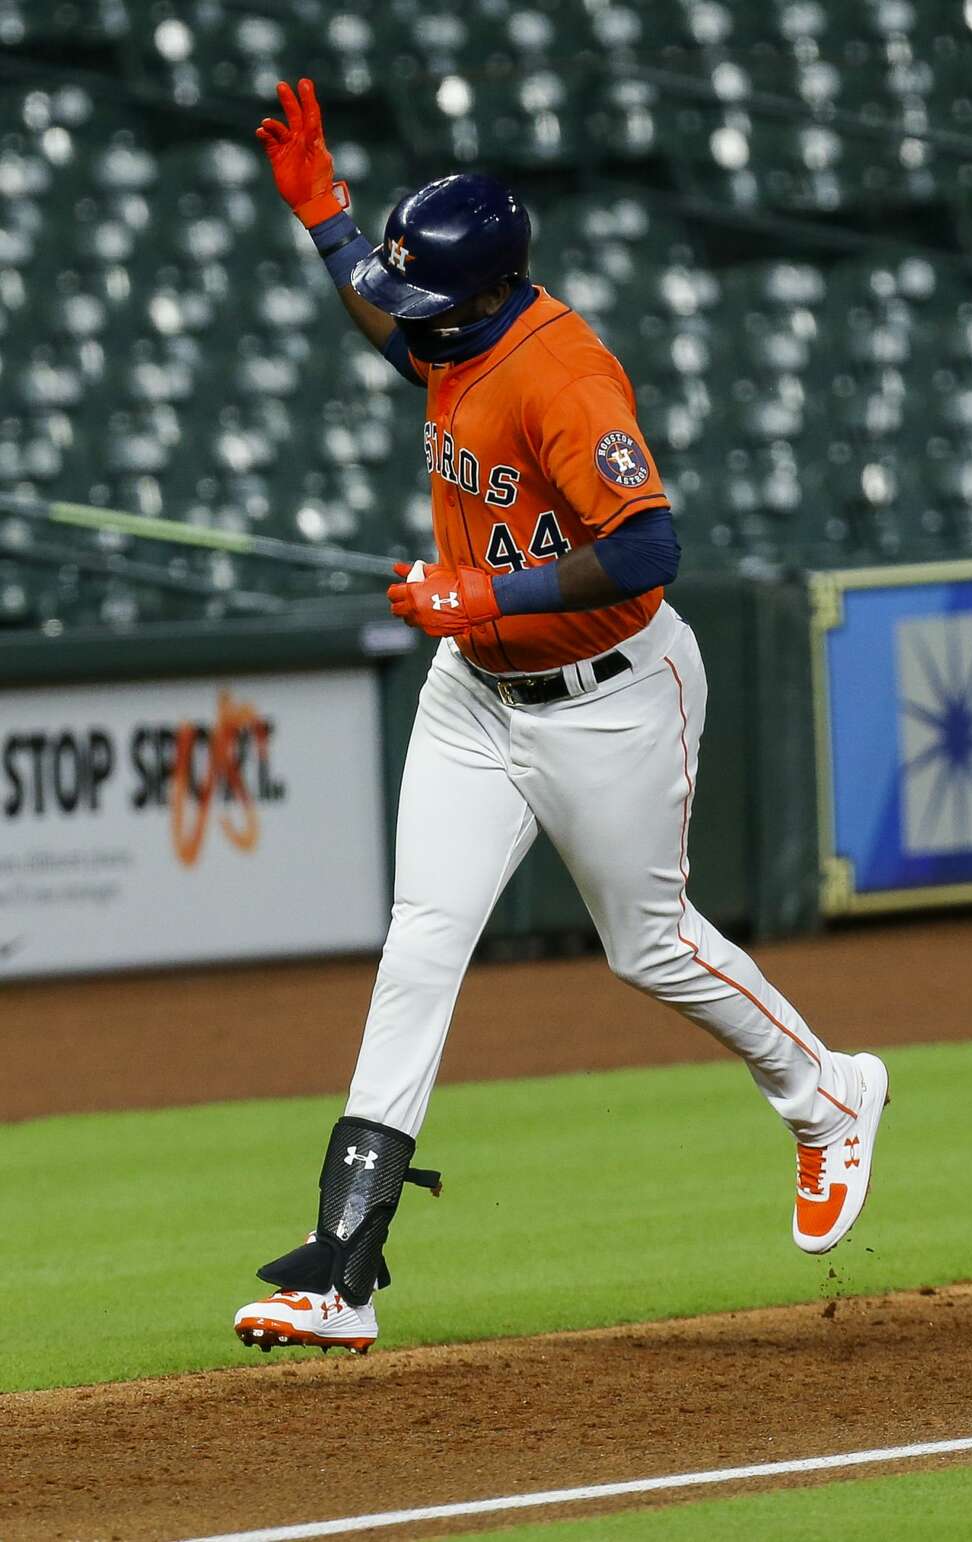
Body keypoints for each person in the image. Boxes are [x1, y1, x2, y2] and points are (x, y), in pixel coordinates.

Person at [234, 79, 889, 1355]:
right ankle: (342, 1273)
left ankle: (827, 1097)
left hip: (611, 699)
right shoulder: (453, 328)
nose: (409, 316)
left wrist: (479, 584)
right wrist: (323, 213)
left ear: (490, 294)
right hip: (474, 697)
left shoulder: (563, 374)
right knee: (422, 941)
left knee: (646, 946)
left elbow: (649, 548)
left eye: (434, 300)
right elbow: (389, 318)